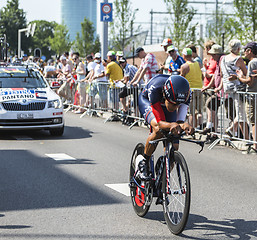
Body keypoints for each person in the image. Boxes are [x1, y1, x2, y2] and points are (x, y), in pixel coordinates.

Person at [137, 74, 194, 180]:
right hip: (148, 102)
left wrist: (184, 125)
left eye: (178, 105)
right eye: (173, 104)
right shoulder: (156, 88)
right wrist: (171, 125)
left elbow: (180, 121)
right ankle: (144, 162)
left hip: (165, 102)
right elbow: (160, 123)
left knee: (175, 145)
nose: (176, 107)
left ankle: (162, 178)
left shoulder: (187, 93)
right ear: (165, 95)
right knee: (158, 130)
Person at [220, 39, 249, 140]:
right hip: (237, 87)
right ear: (238, 48)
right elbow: (246, 73)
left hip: (227, 86)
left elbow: (221, 73)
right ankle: (245, 138)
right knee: (241, 113)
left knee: (240, 112)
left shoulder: (223, 58)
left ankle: (232, 129)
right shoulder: (238, 59)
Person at [238, 42, 257, 152]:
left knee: (254, 121)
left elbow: (250, 82)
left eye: (245, 50)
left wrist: (239, 77)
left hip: (252, 96)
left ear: (250, 51)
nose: (244, 52)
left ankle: (255, 145)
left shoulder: (252, 63)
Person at [180, 47, 203, 128]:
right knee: (199, 111)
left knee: (191, 112)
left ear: (184, 55)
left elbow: (181, 79)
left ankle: (191, 129)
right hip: (199, 89)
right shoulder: (198, 64)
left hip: (191, 90)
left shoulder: (185, 66)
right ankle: (200, 127)